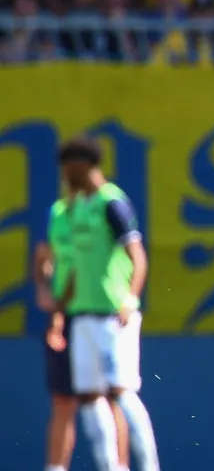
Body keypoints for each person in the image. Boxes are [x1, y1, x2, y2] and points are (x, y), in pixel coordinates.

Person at [47, 136, 160, 471]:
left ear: (83, 165)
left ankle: (150, 466)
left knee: (122, 393)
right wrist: (58, 313)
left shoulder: (113, 203)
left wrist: (130, 298)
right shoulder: (75, 207)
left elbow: (137, 257)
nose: (65, 175)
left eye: (69, 168)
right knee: (89, 397)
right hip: (81, 316)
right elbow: (74, 270)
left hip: (114, 316)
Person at [34, 187, 79, 471]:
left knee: (111, 398)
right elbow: (42, 256)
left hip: (101, 318)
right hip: (64, 320)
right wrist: (42, 287)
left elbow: (133, 255)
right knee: (63, 400)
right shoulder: (59, 213)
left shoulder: (110, 206)